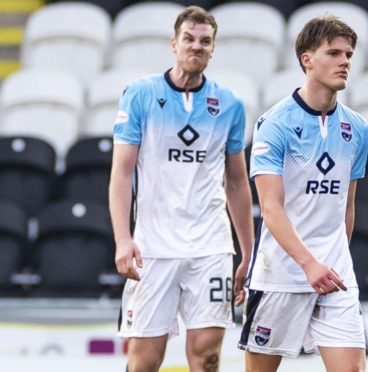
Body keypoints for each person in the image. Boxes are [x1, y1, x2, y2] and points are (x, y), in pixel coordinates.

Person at [109, 6, 254, 372]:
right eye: (189, 39)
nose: (197, 46)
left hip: (211, 245)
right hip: (154, 246)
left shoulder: (230, 105)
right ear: (174, 44)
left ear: (213, 49)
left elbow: (237, 181)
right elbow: (122, 174)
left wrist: (248, 252)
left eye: (205, 41)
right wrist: (123, 239)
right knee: (144, 361)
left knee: (207, 357)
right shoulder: (140, 95)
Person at [238, 15, 368, 372]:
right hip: (281, 273)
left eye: (348, 54)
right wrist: (308, 263)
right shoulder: (275, 123)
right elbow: (270, 207)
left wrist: (334, 259)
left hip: (335, 273)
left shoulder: (357, 128)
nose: (345, 61)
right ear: (306, 59)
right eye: (334, 53)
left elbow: (347, 204)